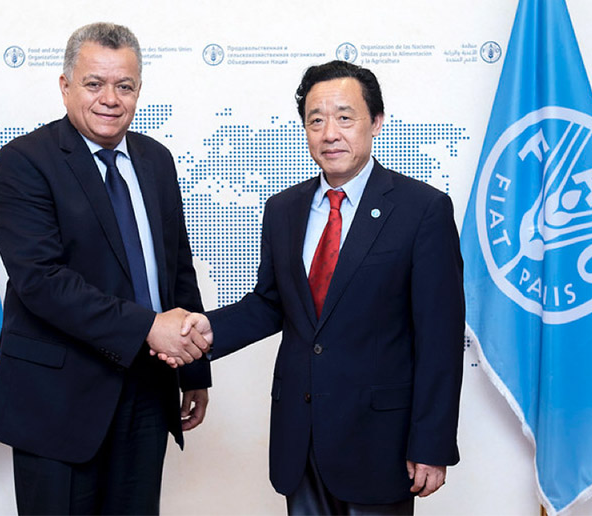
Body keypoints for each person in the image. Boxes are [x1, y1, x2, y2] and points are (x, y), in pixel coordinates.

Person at [170, 60, 465, 515]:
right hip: (300, 436)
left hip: (380, 444)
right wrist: (206, 331)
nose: (330, 134)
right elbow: (272, 304)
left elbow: (440, 338)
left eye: (345, 117)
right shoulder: (283, 209)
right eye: (316, 121)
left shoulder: (422, 210)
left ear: (376, 122)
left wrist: (432, 442)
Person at [0, 22, 211, 515]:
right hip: (57, 400)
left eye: (124, 86)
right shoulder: (24, 161)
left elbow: (176, 269)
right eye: (94, 84)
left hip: (148, 392)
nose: (110, 99)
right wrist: (149, 327)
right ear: (65, 86)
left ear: (139, 90)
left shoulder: (156, 160)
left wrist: (194, 368)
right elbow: (42, 282)